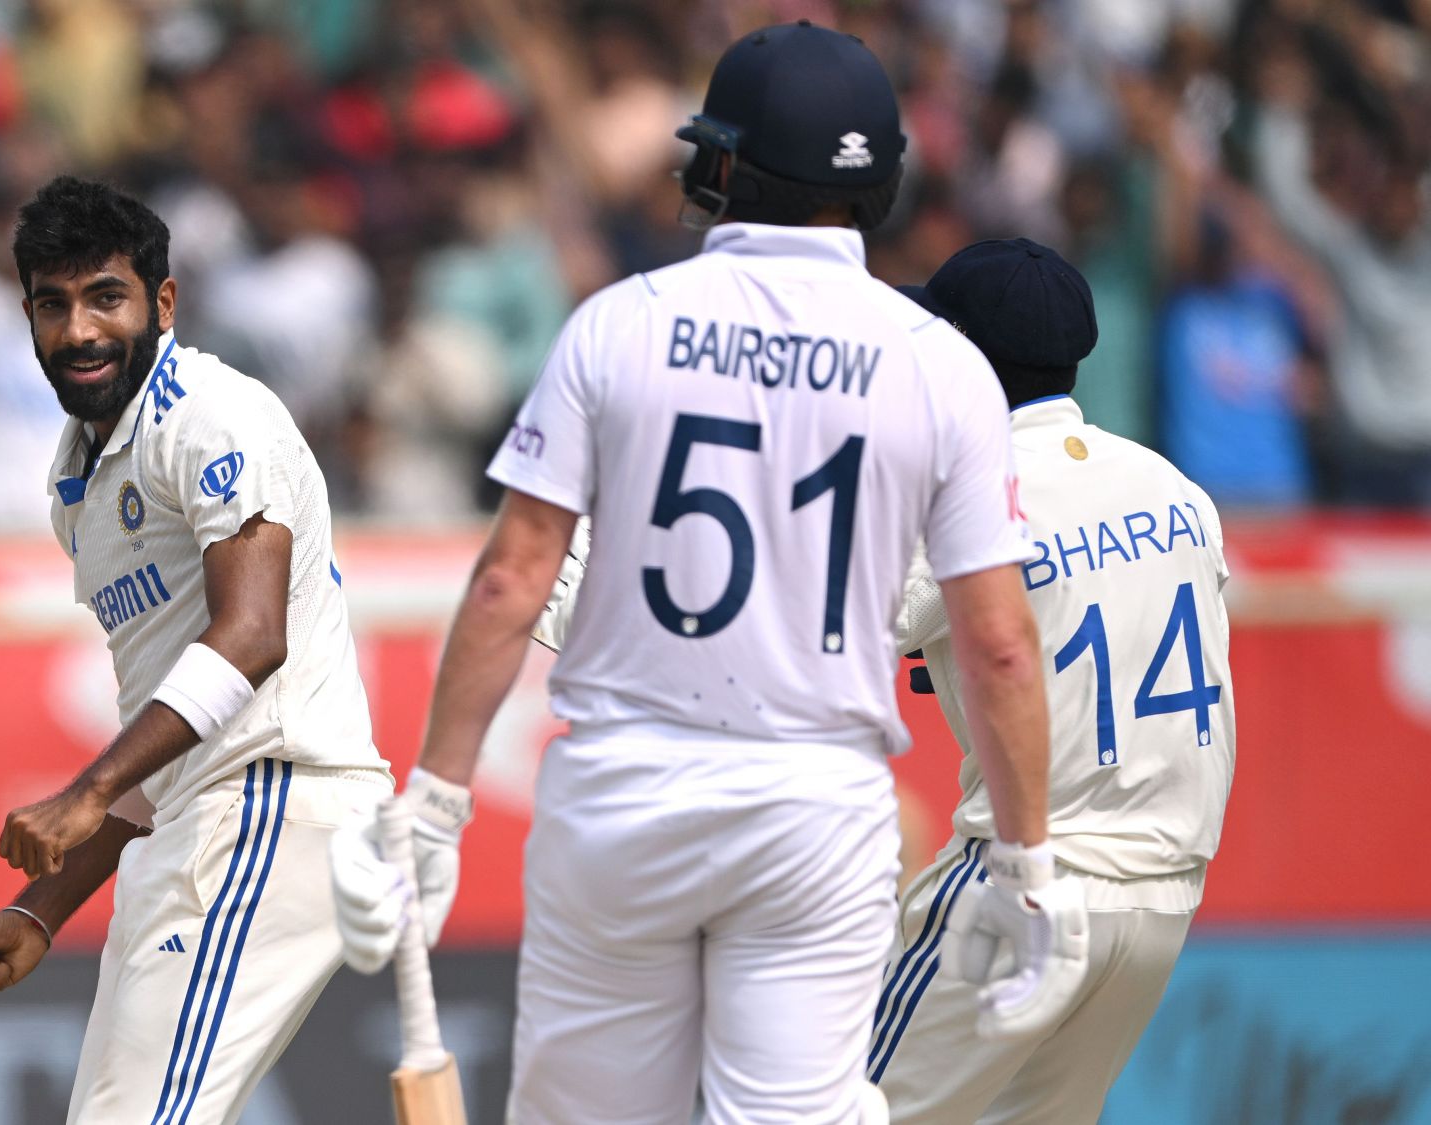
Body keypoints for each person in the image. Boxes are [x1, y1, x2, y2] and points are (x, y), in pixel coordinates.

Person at [330, 23, 1086, 1124]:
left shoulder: (617, 326)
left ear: (730, 166)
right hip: (815, 806)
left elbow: (510, 582)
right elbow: (1001, 643)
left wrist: (436, 808)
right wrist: (1028, 866)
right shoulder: (943, 364)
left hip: (625, 793)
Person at [0, 176, 392, 1124]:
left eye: (107, 297)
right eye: (53, 306)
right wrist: (40, 909)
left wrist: (86, 789)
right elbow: (169, 733)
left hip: (274, 803)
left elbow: (253, 637)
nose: (81, 331)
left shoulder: (211, 415)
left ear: (163, 303)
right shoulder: (79, 475)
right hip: (202, 821)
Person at [873, 239, 1236, 1122]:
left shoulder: (967, 489)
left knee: (824, 1109)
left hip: (1027, 880)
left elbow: (814, 636)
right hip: (1163, 898)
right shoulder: (1174, 487)